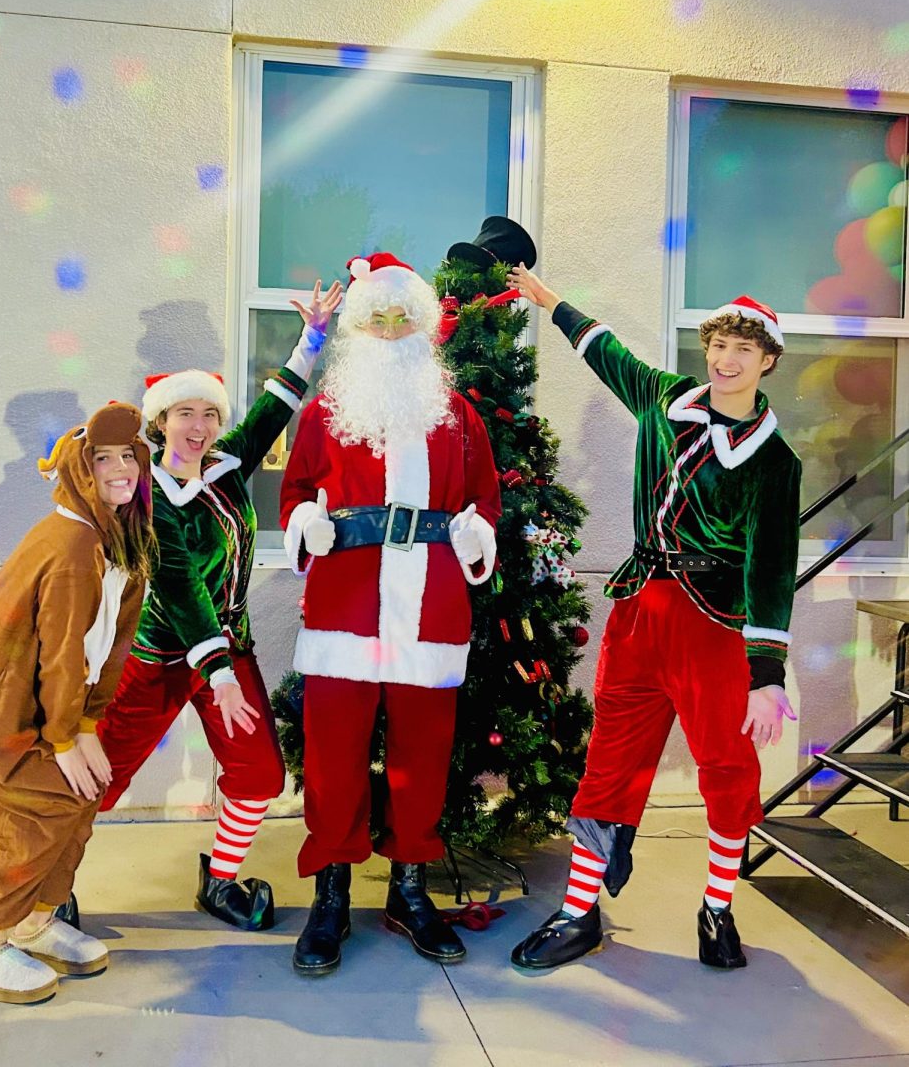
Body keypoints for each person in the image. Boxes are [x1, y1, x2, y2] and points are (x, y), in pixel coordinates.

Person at [506, 264, 801, 972]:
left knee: (727, 769)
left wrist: (766, 676)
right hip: (641, 612)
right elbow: (606, 351)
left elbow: (771, 569)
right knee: (608, 761)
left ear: (767, 361)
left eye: (744, 350)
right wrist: (550, 301)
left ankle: (717, 909)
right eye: (720, 345)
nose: (727, 360)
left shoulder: (773, 462)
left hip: (713, 626)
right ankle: (578, 914)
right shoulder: (665, 399)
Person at [94, 280, 342, 931]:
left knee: (259, 774)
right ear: (160, 422)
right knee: (103, 778)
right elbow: (181, 591)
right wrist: (219, 673)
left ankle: (221, 881)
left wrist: (313, 337)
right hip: (161, 654)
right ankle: (47, 880)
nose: (200, 426)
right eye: (185, 415)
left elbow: (278, 403)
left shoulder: (229, 465)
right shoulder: (147, 497)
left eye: (208, 413)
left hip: (228, 649)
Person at [280, 252, 501, 975]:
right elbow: (297, 493)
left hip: (430, 606)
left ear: (424, 326)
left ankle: (409, 888)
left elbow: (484, 498)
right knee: (334, 753)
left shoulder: (457, 414)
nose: (390, 329)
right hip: (345, 600)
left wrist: (477, 533)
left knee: (422, 757)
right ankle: (333, 892)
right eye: (377, 318)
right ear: (356, 327)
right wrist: (306, 523)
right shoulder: (323, 412)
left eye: (403, 317)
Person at [0, 403, 154, 1004]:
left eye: (128, 455)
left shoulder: (120, 540)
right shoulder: (73, 542)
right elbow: (62, 655)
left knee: (81, 793)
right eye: (102, 459)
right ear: (80, 469)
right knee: (43, 806)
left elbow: (108, 650)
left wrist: (90, 724)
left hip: (28, 699)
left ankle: (32, 920)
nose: (119, 468)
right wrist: (64, 738)